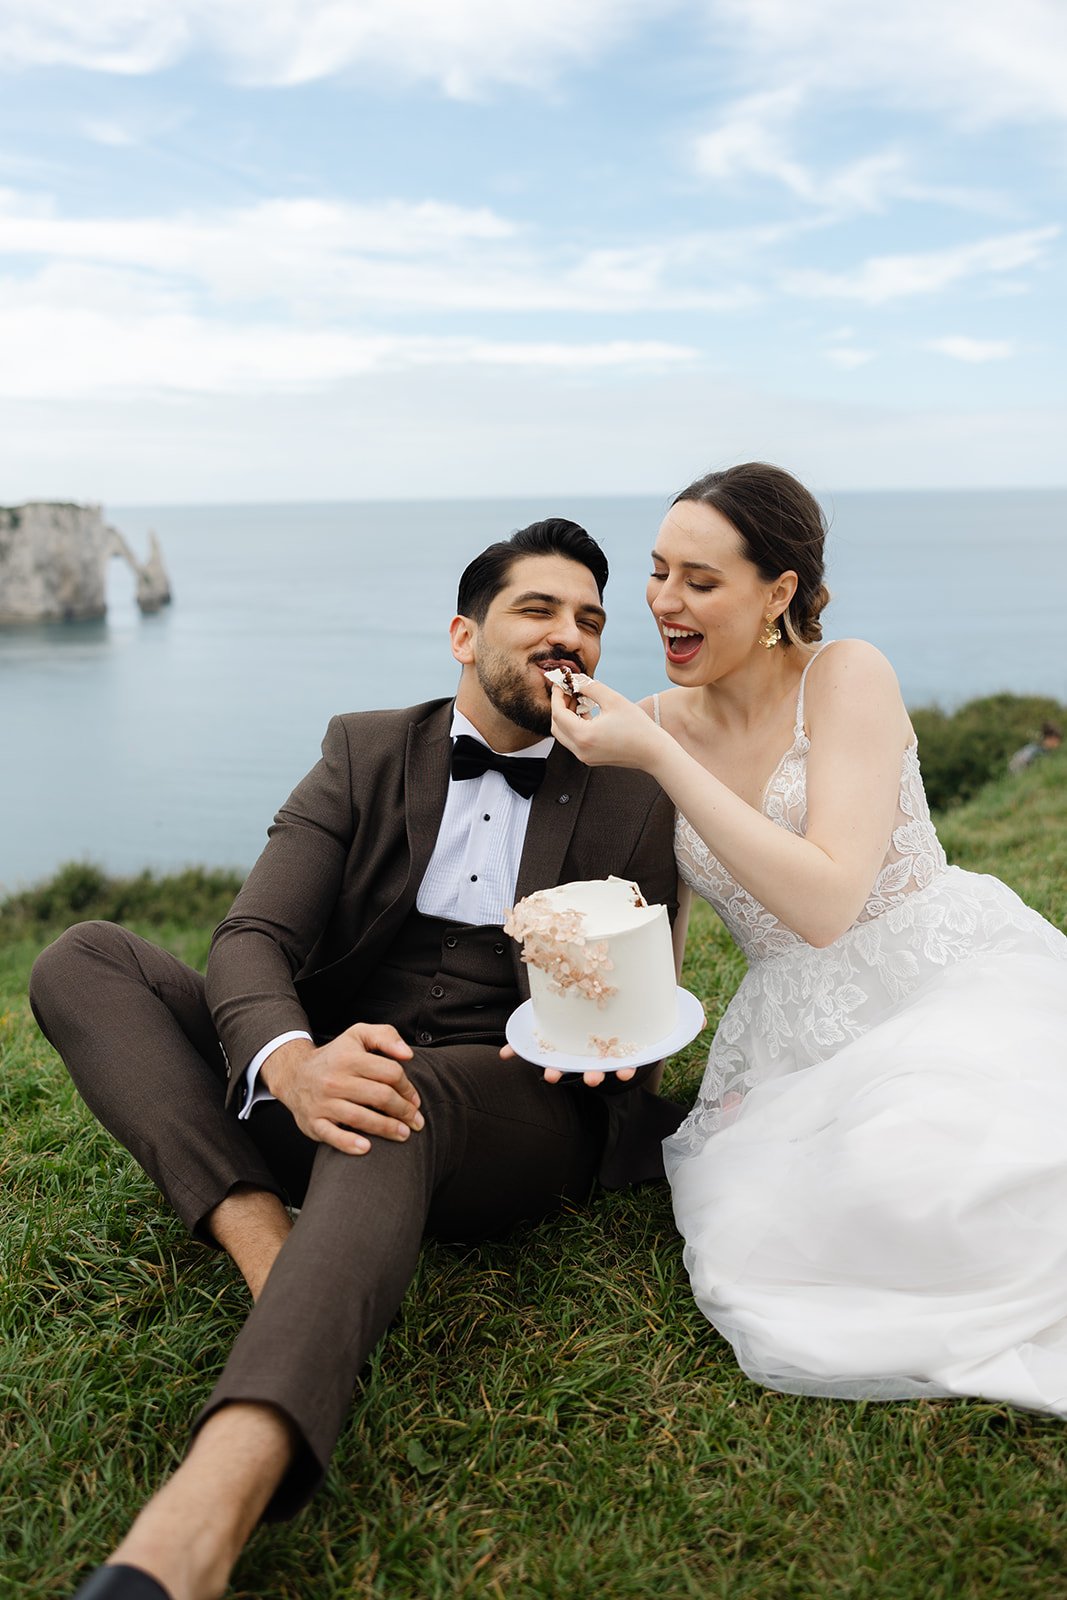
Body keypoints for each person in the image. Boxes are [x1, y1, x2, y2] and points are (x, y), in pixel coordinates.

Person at [29, 517, 684, 1600]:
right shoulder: (363, 746)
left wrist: (608, 1043)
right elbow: (251, 941)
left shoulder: (630, 788)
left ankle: (198, 1521)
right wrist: (289, 1062)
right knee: (83, 957)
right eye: (539, 610)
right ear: (463, 635)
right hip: (321, 1078)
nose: (568, 636)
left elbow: (640, 997)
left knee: (396, 1093)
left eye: (590, 621)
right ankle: (267, 1242)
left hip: (512, 1110)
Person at [549, 462, 1067, 1418]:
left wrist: (659, 757)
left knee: (969, 1179)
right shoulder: (645, 724)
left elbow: (827, 901)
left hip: (943, 982)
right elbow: (656, 922)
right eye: (657, 572)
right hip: (792, 1026)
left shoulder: (846, 675)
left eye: (700, 582)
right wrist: (616, 1058)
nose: (665, 600)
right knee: (780, 1224)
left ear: (777, 592)